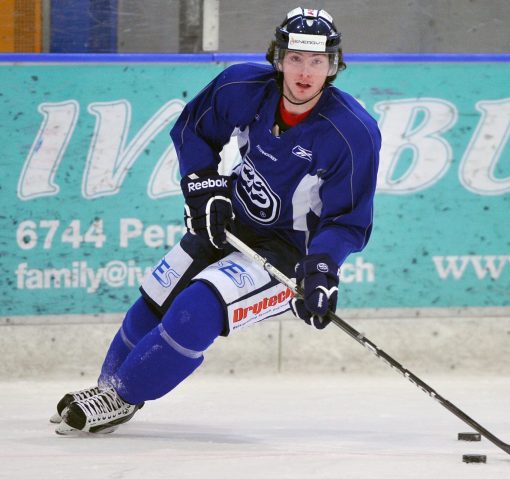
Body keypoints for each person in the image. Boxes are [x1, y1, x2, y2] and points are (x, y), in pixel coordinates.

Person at [52, 7, 381, 435]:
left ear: (333, 66)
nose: (305, 72)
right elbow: (192, 130)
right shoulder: (243, 86)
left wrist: (320, 267)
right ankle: (108, 390)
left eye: (318, 61)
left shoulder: (351, 133)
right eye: (296, 58)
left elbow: (347, 221)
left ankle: (123, 394)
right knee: (157, 297)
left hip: (284, 253)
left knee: (194, 310)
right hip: (229, 220)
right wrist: (205, 187)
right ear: (278, 58)